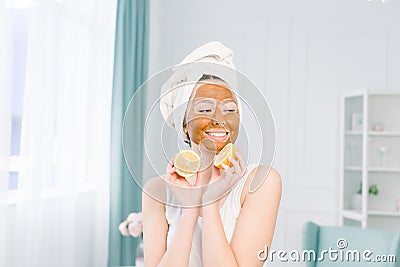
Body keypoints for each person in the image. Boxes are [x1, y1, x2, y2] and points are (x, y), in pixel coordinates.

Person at [142, 41, 282, 267]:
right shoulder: (156, 191)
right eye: (205, 109)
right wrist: (188, 212)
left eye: (230, 109)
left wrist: (209, 203)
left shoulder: (261, 182)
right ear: (184, 125)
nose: (219, 119)